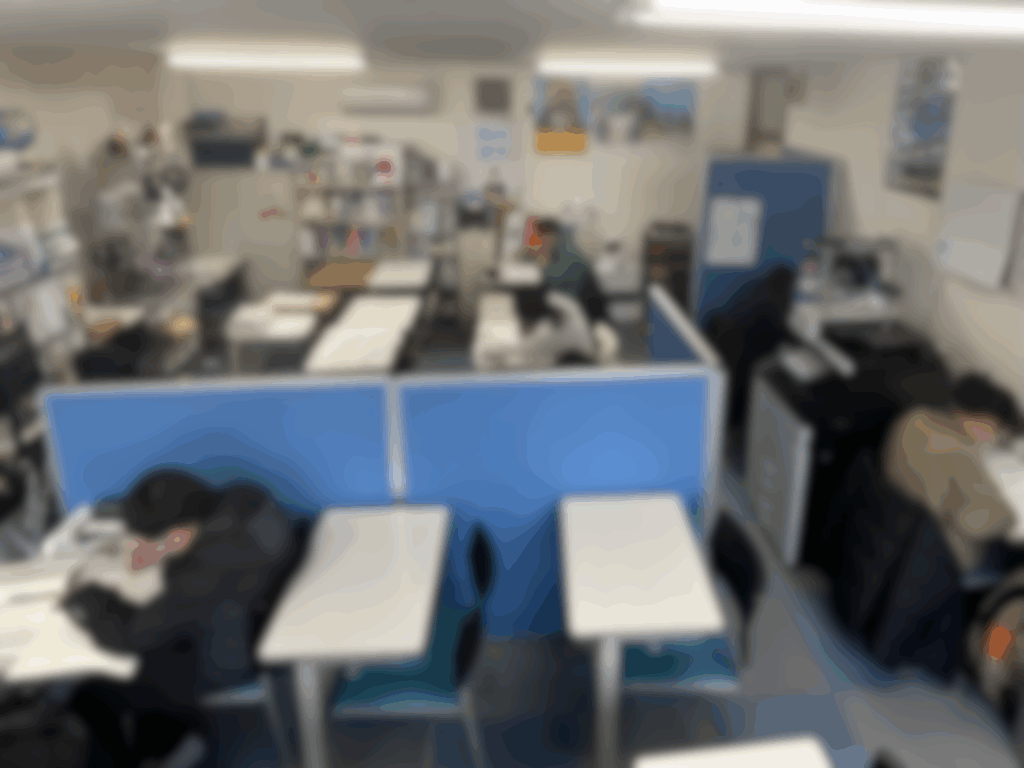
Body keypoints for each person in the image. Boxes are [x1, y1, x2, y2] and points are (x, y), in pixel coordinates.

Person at [63, 470, 305, 768]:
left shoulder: (202, 578)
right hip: (251, 621)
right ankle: (170, 741)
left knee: (93, 695)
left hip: (227, 659)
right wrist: (164, 554)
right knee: (153, 650)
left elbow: (130, 635)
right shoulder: (247, 499)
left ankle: (158, 747)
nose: (133, 544)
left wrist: (89, 598)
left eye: (140, 539)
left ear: (178, 536)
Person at [527, 219, 607, 323]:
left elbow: (552, 283)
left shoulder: (570, 258)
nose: (540, 243)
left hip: (581, 317)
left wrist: (544, 260)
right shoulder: (561, 250)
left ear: (552, 236)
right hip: (573, 310)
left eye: (541, 238)